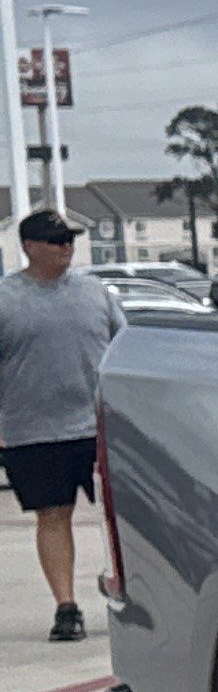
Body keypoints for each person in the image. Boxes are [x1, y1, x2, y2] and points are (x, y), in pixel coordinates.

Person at [1, 207, 130, 642]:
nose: (66, 249)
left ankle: (127, 593)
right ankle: (66, 607)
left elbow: (124, 349)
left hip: (98, 428)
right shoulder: (6, 299)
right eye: (56, 242)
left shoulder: (95, 293)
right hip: (33, 431)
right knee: (53, 517)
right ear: (28, 247)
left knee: (120, 517)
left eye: (69, 240)